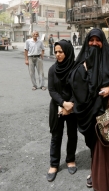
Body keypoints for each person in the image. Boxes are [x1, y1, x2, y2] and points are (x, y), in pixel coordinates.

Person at [69, 28, 109, 191]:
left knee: (107, 149)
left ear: (103, 41)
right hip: (89, 113)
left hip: (107, 113)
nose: (94, 43)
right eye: (91, 40)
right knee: (95, 147)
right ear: (87, 41)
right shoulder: (82, 60)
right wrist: (83, 69)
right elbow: (74, 83)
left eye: (98, 40)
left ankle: (106, 178)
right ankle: (97, 174)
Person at [47, 40, 78, 182]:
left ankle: (70, 159)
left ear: (68, 52)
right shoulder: (53, 69)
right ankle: (54, 164)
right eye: (56, 52)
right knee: (56, 136)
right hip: (58, 106)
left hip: (72, 107)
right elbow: (52, 90)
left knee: (72, 134)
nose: (58, 54)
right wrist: (63, 104)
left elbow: (78, 88)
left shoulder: (76, 69)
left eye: (61, 52)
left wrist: (70, 104)